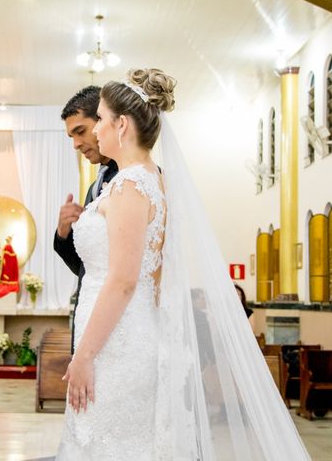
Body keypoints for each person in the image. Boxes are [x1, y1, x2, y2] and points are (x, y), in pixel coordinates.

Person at [56, 69, 309, 459]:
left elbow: (123, 281)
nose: (97, 131)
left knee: (109, 444)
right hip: (129, 332)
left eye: (102, 120)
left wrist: (85, 354)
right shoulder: (149, 180)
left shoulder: (128, 186)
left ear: (121, 125)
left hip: (115, 343)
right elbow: (152, 276)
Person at [54, 86, 119, 352]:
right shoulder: (97, 185)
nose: (76, 144)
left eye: (80, 132)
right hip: (90, 312)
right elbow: (84, 267)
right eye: (71, 136)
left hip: (117, 324)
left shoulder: (134, 180)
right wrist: (64, 231)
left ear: (103, 121)